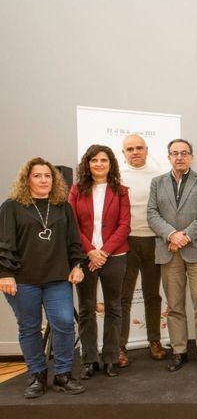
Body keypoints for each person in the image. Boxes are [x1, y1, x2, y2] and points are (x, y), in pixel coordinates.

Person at [0, 158, 86, 398]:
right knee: (29, 327)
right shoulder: (12, 206)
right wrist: (5, 274)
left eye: (47, 176)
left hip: (58, 278)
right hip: (23, 280)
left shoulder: (62, 206)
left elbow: (73, 241)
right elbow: (3, 243)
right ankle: (36, 375)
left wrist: (77, 265)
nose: (43, 180)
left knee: (65, 323)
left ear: (54, 179)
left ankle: (62, 375)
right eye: (37, 176)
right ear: (27, 179)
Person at [147, 139, 197, 372]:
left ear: (191, 156)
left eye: (184, 153)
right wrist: (171, 235)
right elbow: (152, 214)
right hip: (169, 251)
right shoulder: (157, 183)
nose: (179, 157)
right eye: (175, 153)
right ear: (168, 157)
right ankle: (179, 350)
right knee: (174, 304)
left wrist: (184, 236)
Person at [69, 145, 130, 379]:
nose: (99, 164)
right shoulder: (76, 191)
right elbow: (72, 224)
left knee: (114, 307)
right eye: (94, 160)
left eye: (103, 160)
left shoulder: (122, 191)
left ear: (110, 163)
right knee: (86, 308)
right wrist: (91, 252)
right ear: (87, 164)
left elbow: (125, 225)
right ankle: (89, 360)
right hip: (85, 258)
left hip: (114, 256)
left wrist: (103, 252)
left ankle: (111, 358)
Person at [118, 134, 166, 367]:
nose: (135, 152)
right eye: (130, 149)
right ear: (123, 153)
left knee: (152, 295)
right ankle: (119, 346)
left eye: (139, 148)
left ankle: (154, 341)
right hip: (126, 242)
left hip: (153, 241)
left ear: (147, 150)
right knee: (123, 297)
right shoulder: (116, 176)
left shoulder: (159, 175)